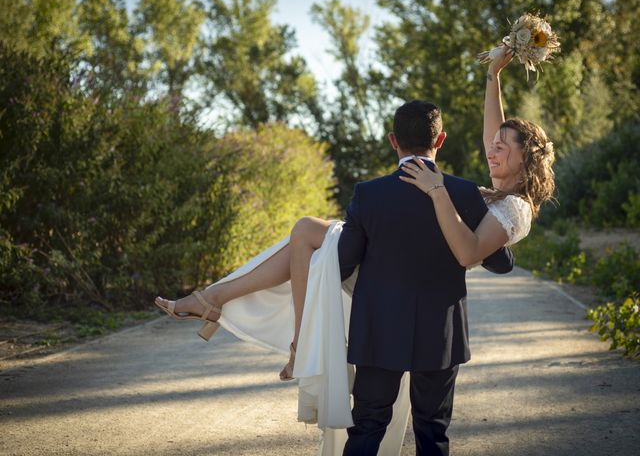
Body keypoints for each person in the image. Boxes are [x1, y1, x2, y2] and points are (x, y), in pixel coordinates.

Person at [154, 47, 555, 453]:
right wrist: (493, 76)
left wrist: (431, 195)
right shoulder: (470, 192)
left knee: (310, 239)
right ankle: (225, 303)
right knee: (432, 431)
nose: (492, 149)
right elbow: (494, 134)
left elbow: (468, 252)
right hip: (439, 329)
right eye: (495, 143)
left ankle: (277, 331)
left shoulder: (495, 203)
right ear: (441, 140)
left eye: (503, 147)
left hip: (383, 323)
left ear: (393, 140)